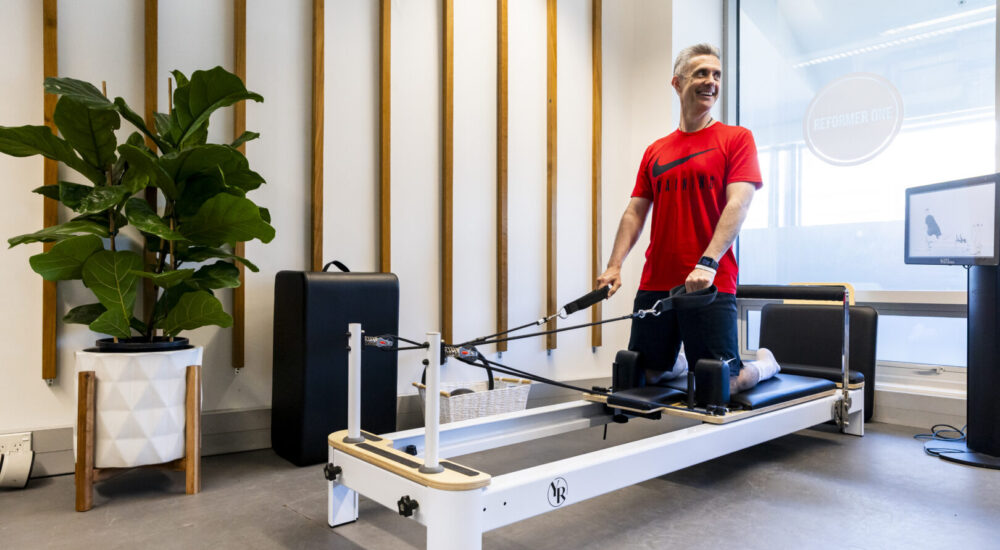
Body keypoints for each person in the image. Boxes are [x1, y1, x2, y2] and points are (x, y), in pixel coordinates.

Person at [597, 43, 778, 395]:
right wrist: (614, 265)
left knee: (723, 381)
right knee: (643, 375)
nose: (711, 81)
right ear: (677, 83)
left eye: (716, 74)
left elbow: (739, 203)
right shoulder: (656, 150)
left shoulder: (736, 139)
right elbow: (635, 210)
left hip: (709, 281)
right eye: (701, 73)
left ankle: (765, 364)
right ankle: (677, 362)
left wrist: (708, 262)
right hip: (657, 280)